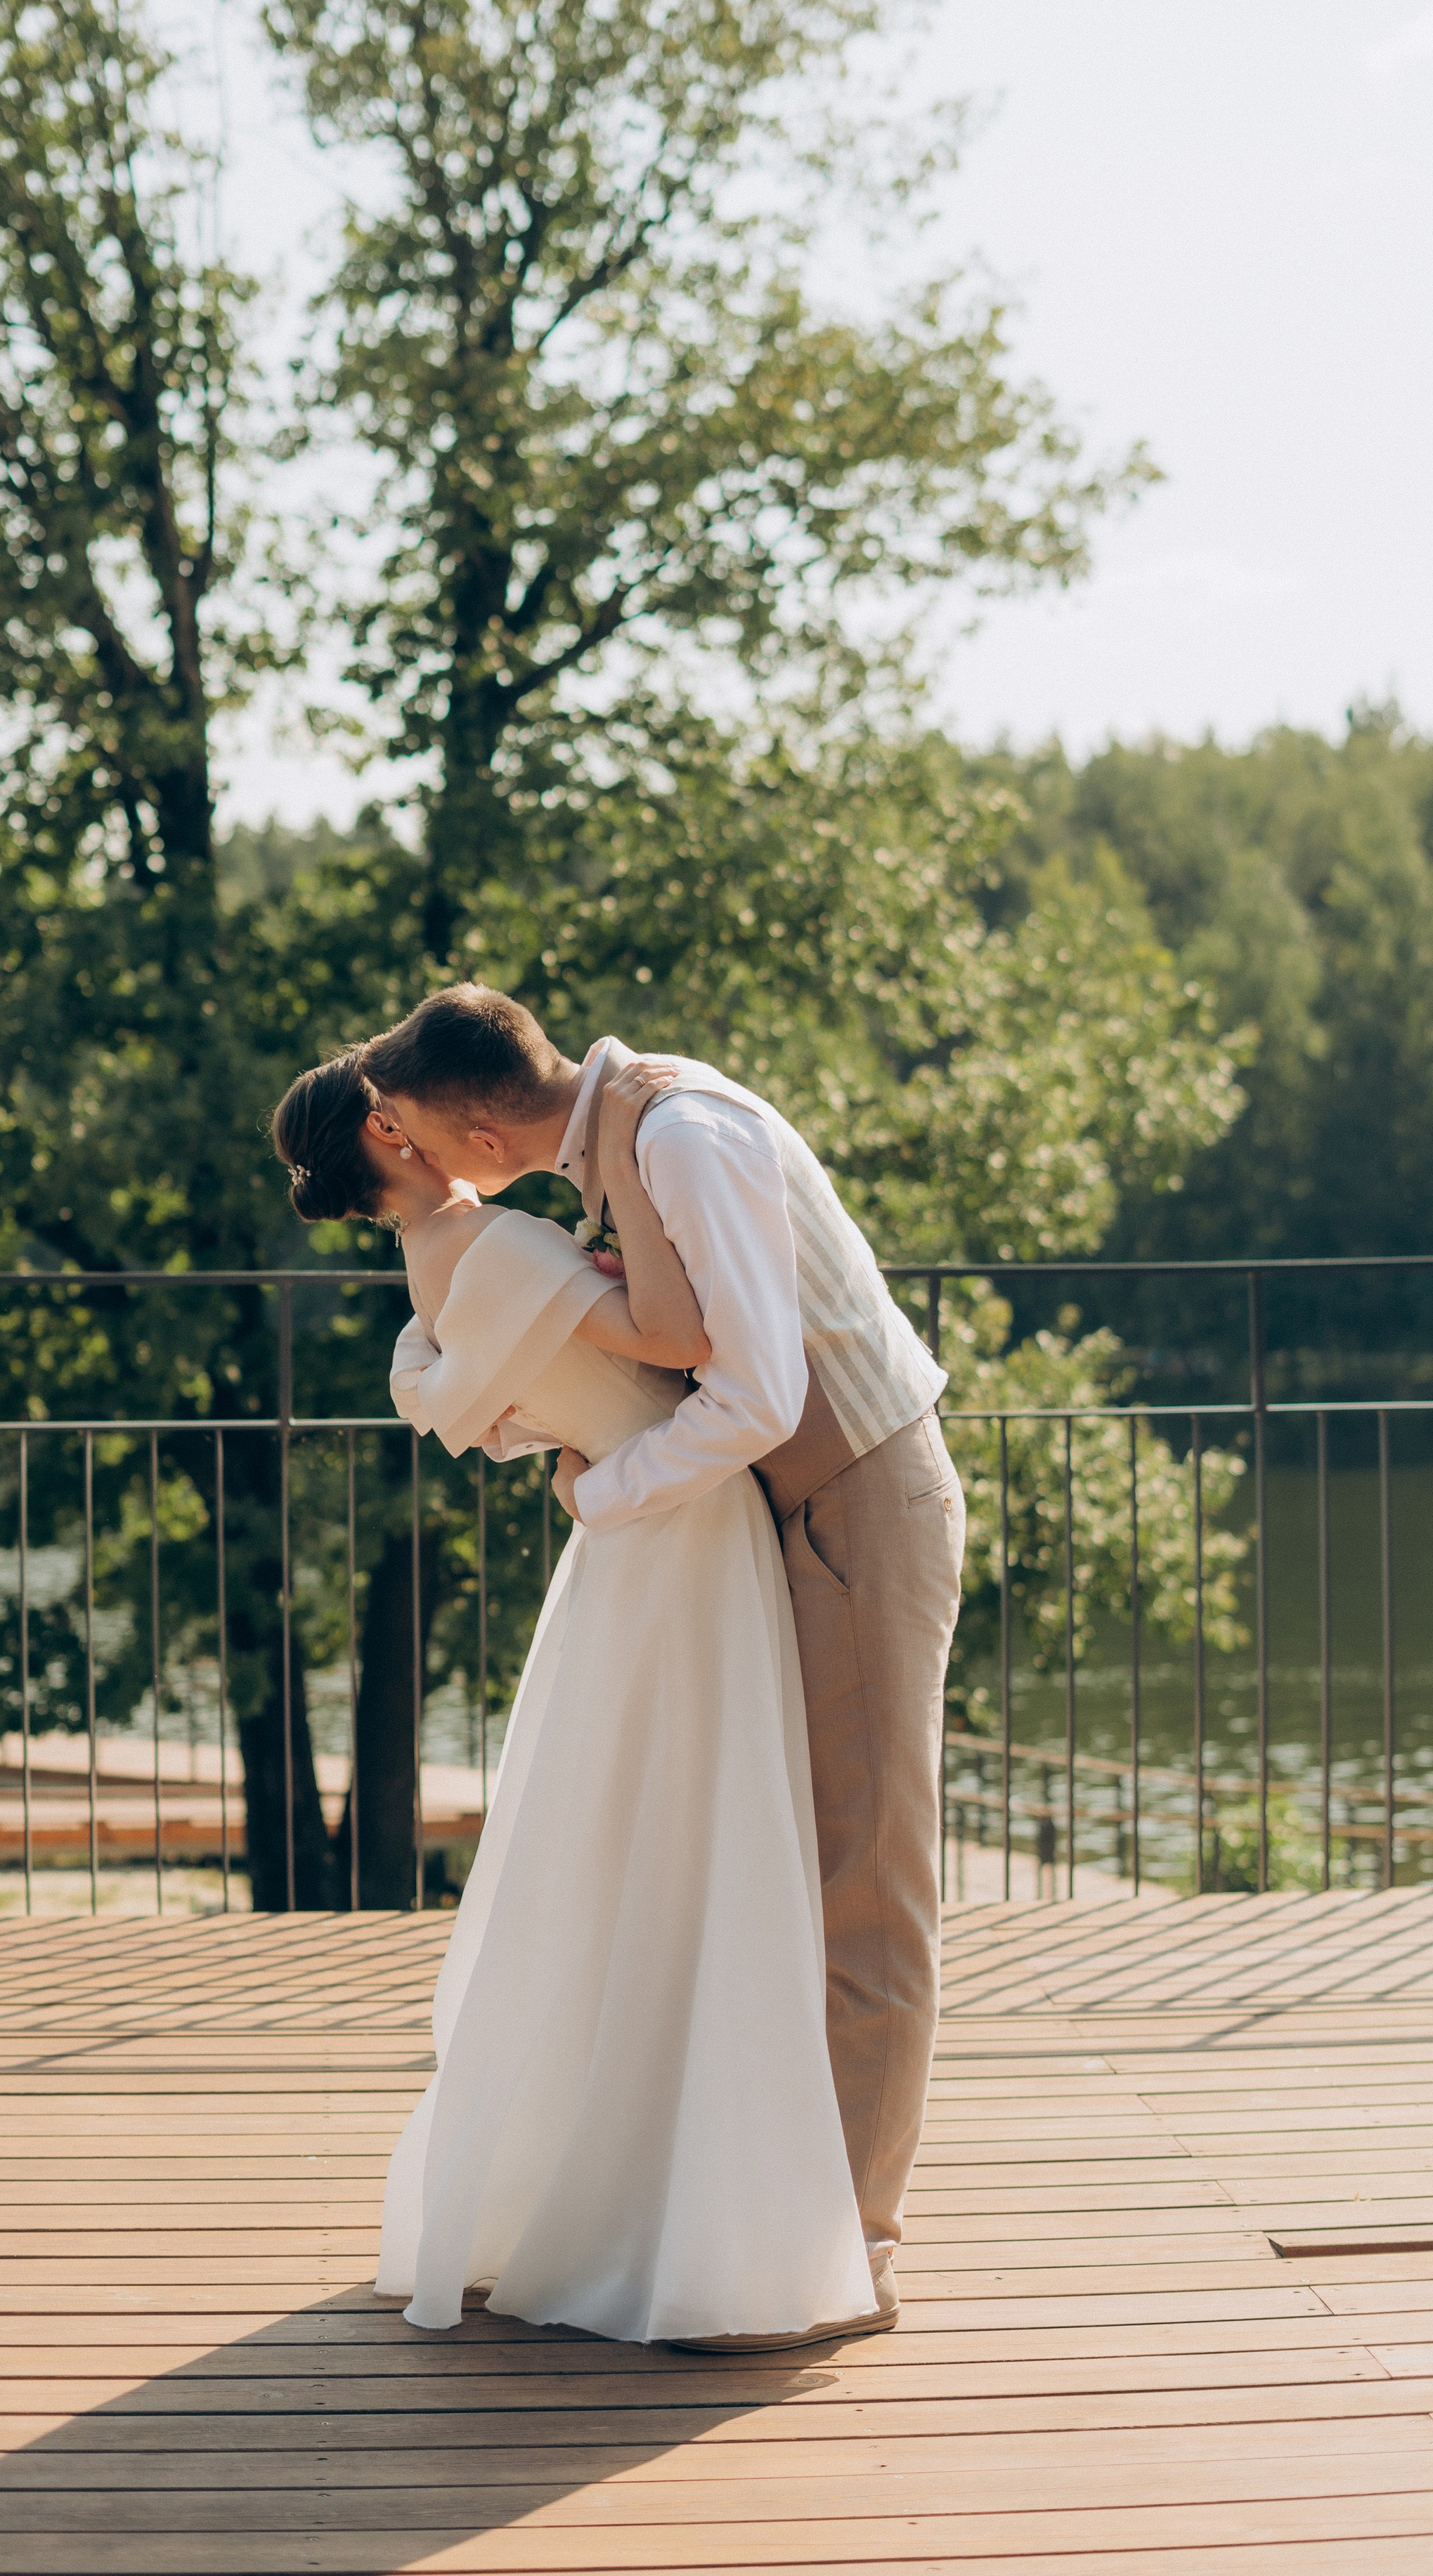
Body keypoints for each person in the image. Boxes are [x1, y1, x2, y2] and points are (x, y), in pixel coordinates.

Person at [365, 985, 966, 2350]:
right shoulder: (620, 1140)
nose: (423, 1171)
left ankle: (853, 2250)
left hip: (860, 1503)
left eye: (420, 1139)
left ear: (473, 1119)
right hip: (793, 1510)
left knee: (865, 1882)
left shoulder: (679, 1137)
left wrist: (604, 1494)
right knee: (791, 1870)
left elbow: (753, 1391)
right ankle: (773, 2218)